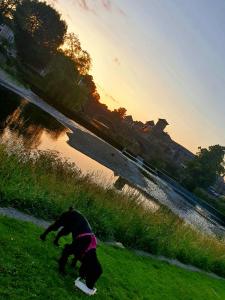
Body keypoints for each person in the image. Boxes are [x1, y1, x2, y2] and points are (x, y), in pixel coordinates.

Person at [40, 207, 102, 295]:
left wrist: (81, 275)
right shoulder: (84, 249)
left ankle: (56, 240)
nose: (92, 283)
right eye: (92, 280)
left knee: (67, 232)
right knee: (56, 226)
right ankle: (44, 234)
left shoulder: (89, 254)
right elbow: (66, 250)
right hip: (72, 216)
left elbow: (84, 262)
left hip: (80, 228)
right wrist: (62, 268)